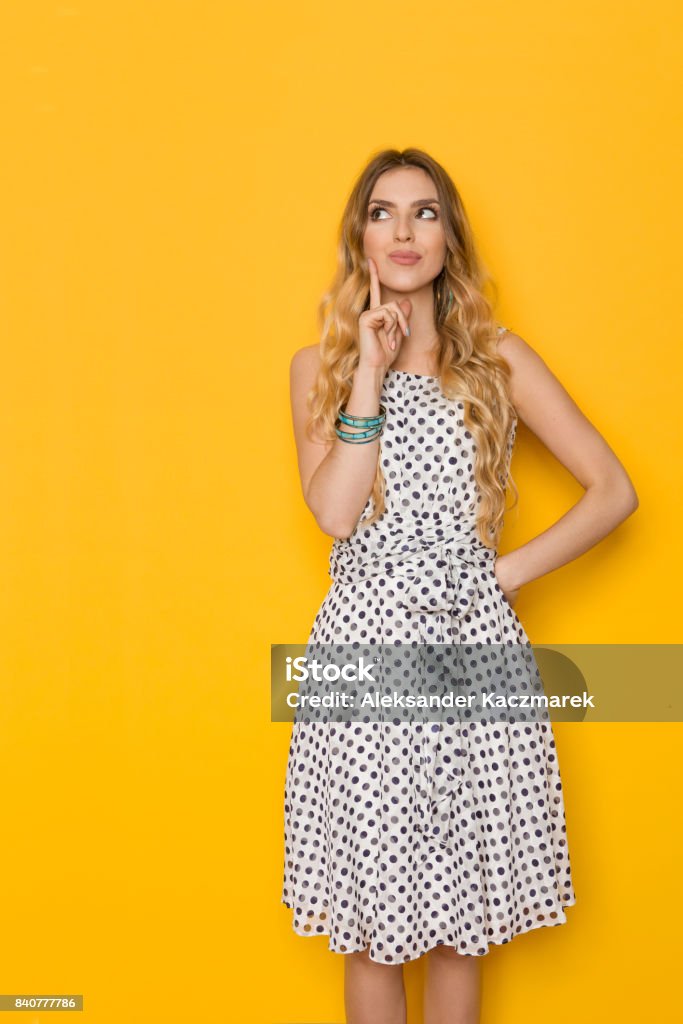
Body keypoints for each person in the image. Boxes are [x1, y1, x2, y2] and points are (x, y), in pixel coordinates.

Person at [282, 147, 638, 1024]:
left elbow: (613, 490)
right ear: (358, 236)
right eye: (383, 212)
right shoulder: (318, 367)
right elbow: (333, 514)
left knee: (456, 922)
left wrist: (502, 575)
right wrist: (368, 367)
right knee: (370, 922)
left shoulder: (497, 359)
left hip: (472, 654)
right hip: (362, 653)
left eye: (425, 212)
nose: (403, 231)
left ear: (450, 238)